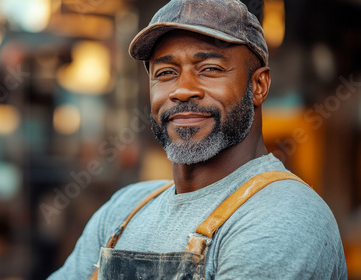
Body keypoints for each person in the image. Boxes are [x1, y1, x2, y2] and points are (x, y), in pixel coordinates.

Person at [48, 0, 348, 279]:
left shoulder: (282, 216)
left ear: (258, 85)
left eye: (210, 69)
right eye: (165, 73)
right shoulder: (123, 209)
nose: (182, 90)